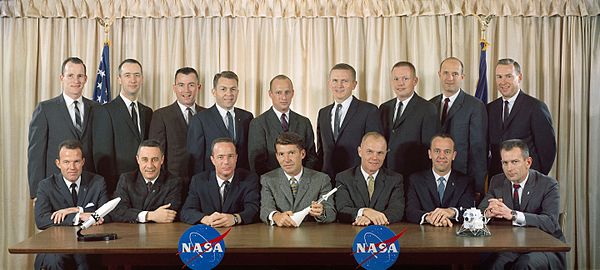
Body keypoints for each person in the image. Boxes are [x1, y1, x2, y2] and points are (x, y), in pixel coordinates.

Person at [479, 139, 565, 269]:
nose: (509, 168)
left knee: (524, 264)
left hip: (543, 247)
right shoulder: (497, 181)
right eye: (505, 163)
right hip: (512, 246)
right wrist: (488, 212)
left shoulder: (548, 184)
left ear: (528, 162)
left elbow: (551, 222)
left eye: (515, 162)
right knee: (491, 263)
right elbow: (481, 210)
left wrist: (513, 215)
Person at [28, 57, 100, 200]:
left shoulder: (97, 109)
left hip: (89, 187)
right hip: (54, 188)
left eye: (80, 76)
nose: (76, 80)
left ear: (85, 79)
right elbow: (36, 154)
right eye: (70, 76)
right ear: (62, 78)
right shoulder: (45, 109)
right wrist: (37, 192)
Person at [34, 139, 109, 270]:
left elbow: (106, 214)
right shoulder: (46, 186)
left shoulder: (97, 182)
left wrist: (76, 210)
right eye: (66, 162)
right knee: (54, 260)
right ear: (58, 163)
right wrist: (77, 217)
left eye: (76, 162)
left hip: (89, 244)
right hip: (56, 245)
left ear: (83, 162)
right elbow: (41, 220)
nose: (72, 167)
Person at [93, 59, 153, 195]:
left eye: (137, 75)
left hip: (144, 186)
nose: (133, 80)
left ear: (142, 79)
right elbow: (103, 157)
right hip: (118, 187)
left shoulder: (147, 112)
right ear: (119, 79)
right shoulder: (106, 111)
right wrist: (110, 189)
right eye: (127, 75)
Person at [487, 58, 556, 177]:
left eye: (508, 76)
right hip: (498, 180)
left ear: (519, 77)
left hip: (528, 179)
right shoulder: (490, 108)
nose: (503, 82)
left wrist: (535, 178)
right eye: (499, 77)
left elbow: (547, 151)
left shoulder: (535, 107)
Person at [429, 57, 487, 194]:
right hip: (434, 180)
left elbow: (478, 151)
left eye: (455, 74)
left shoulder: (475, 106)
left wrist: (477, 187)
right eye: (446, 73)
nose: (450, 78)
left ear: (462, 76)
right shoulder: (429, 105)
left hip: (463, 181)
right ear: (439, 74)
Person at [316, 63, 382, 180]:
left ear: (354, 84)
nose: (339, 85)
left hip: (356, 179)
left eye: (344, 81)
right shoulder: (323, 113)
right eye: (335, 80)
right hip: (327, 179)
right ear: (329, 83)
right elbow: (321, 152)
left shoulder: (369, 111)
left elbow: (374, 150)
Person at [260, 132, 336, 226]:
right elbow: (265, 209)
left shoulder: (322, 179)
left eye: (291, 153)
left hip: (312, 235)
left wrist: (322, 212)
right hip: (279, 236)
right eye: (281, 154)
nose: (286, 159)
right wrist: (276, 216)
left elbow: (331, 214)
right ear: (276, 156)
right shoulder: (267, 179)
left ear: (302, 154)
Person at [181, 138, 260, 227]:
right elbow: (186, 211)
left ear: (236, 158)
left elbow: (254, 209)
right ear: (213, 159)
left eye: (230, 156)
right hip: (209, 235)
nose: (226, 162)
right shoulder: (199, 181)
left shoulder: (249, 179)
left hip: (239, 234)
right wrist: (205, 219)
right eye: (220, 157)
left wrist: (235, 218)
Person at [248, 74, 318, 175]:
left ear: (293, 93)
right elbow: (256, 164)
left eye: (287, 92)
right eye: (278, 93)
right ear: (270, 94)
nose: (284, 97)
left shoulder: (304, 122)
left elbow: (311, 157)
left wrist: (300, 180)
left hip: (302, 184)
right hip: (271, 185)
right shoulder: (258, 124)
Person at [380, 61, 439, 178]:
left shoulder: (427, 108)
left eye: (405, 78)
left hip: (414, 176)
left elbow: (429, 147)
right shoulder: (384, 108)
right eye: (396, 79)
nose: (400, 83)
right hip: (386, 175)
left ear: (415, 81)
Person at [149, 67, 205, 190]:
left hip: (203, 183)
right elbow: (157, 154)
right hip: (173, 184)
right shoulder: (161, 115)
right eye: (181, 85)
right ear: (174, 88)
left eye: (191, 85)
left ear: (198, 87)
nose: (186, 90)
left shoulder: (207, 115)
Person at [187, 71, 253, 174]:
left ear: (238, 92)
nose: (229, 93)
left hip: (241, 182)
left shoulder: (247, 117)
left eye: (233, 89)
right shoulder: (200, 119)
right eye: (223, 89)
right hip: (211, 182)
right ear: (214, 92)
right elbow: (196, 160)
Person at [335, 132, 405, 226]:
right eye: (369, 152)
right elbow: (342, 209)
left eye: (380, 153)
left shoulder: (395, 179)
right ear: (360, 151)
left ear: (386, 154)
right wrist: (364, 211)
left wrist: (372, 219)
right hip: (351, 235)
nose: (375, 157)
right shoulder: (344, 178)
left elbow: (397, 210)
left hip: (384, 234)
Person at [405, 134, 474, 226]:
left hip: (455, 234)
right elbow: (410, 211)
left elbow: (469, 211)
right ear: (430, 154)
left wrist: (452, 212)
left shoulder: (465, 181)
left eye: (447, 152)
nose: (442, 156)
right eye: (437, 151)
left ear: (454, 155)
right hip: (423, 235)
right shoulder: (416, 180)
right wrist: (428, 217)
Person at [110, 140, 183, 223]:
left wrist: (132, 214)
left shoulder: (173, 182)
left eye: (155, 159)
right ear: (137, 160)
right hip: (132, 232)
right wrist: (149, 215)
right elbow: (117, 211)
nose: (149, 165)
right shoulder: (126, 179)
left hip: (160, 233)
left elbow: (168, 215)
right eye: (145, 159)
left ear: (162, 160)